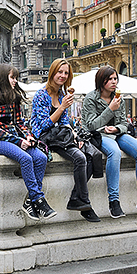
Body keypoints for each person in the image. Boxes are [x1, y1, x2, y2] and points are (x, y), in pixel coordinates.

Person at [80, 66, 137, 218]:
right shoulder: (90, 98)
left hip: (117, 134)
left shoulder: (118, 97)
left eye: (115, 79)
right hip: (98, 135)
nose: (113, 82)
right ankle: (114, 201)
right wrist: (110, 109)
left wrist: (117, 128)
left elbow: (124, 123)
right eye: (110, 79)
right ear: (101, 80)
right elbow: (91, 125)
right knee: (115, 152)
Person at [0, 64, 54, 220]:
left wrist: (27, 136)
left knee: (40, 158)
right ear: (2, 78)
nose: (15, 81)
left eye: (16, 78)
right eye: (12, 77)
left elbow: (20, 123)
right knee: (25, 159)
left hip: (15, 140)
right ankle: (38, 200)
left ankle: (30, 201)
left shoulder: (13, 97)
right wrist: (18, 141)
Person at [31, 58, 100, 223]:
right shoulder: (41, 95)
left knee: (91, 155)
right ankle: (84, 203)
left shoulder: (62, 94)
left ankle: (78, 199)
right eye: (59, 72)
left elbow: (63, 122)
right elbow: (43, 126)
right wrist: (62, 107)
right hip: (45, 137)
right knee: (80, 158)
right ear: (52, 73)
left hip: (60, 136)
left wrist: (74, 135)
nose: (62, 76)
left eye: (66, 73)